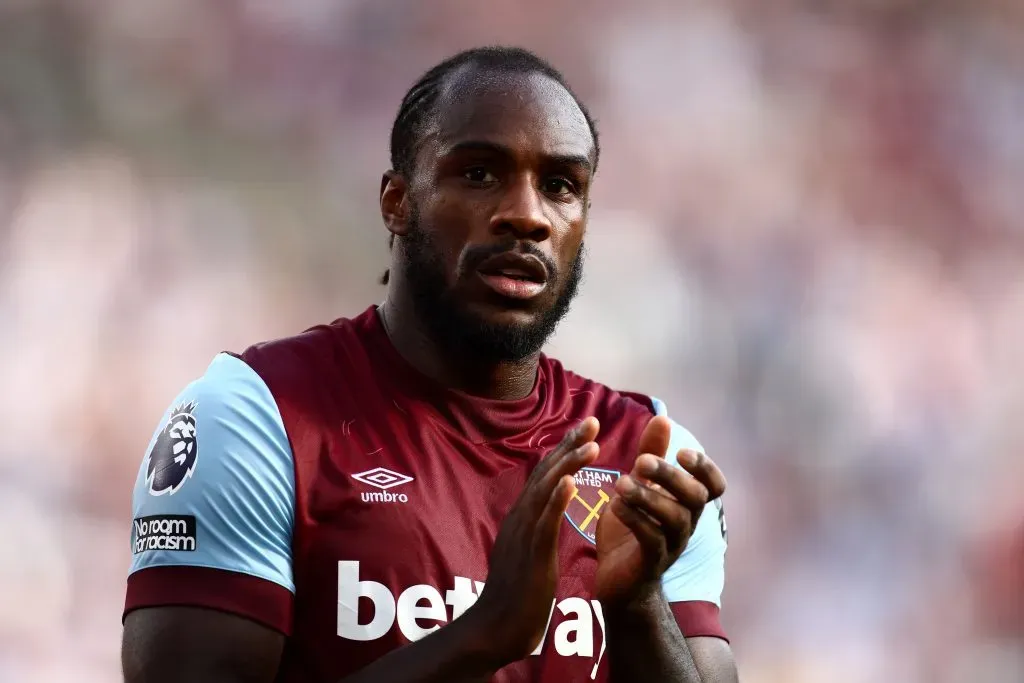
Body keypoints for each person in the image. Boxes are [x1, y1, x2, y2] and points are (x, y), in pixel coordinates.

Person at [120, 46, 738, 683]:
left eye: (561, 187)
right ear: (396, 201)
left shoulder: (647, 456)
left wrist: (637, 607)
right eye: (478, 174)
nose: (526, 214)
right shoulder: (256, 417)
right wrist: (482, 636)